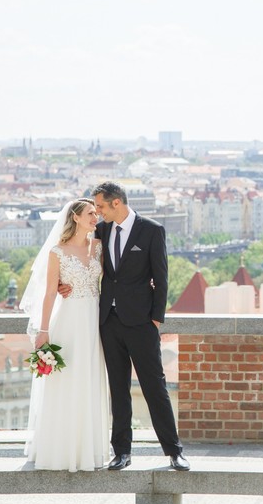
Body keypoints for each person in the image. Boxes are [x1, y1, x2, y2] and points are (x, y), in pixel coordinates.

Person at [65, 181, 189, 472]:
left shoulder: (152, 230)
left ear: (117, 202)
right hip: (108, 321)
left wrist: (155, 319)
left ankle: (174, 452)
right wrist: (64, 282)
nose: (97, 213)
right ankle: (121, 452)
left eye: (101, 207)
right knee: (118, 390)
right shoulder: (103, 230)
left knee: (154, 387)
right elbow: (76, 254)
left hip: (141, 323)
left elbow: (162, 277)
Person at [21, 198, 109, 472]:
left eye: (96, 212)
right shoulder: (56, 252)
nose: (96, 217)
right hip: (69, 320)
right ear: (75, 217)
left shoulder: (99, 247)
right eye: (90, 213)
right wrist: (43, 331)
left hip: (94, 319)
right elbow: (49, 293)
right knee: (66, 381)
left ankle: (88, 449)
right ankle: (60, 448)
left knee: (90, 379)